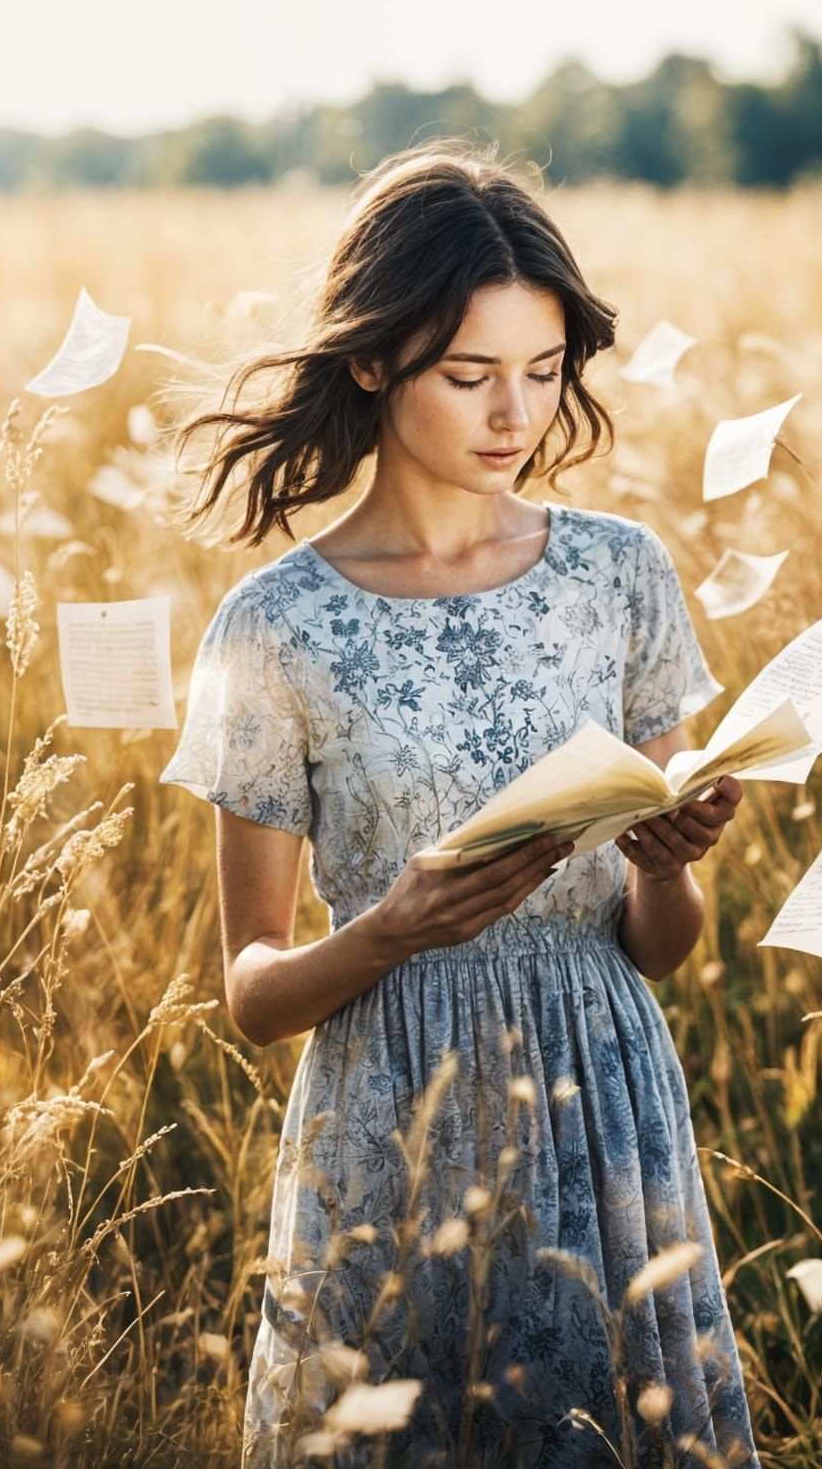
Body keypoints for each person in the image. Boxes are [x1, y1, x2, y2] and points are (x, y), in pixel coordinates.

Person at [158, 141, 759, 1469]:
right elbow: (251, 993)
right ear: (376, 360)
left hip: (603, 1101)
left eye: (543, 372)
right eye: (471, 374)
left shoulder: (619, 575)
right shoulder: (274, 626)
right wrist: (390, 931)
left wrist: (665, 866)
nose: (516, 414)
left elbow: (663, 949)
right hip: (390, 1114)